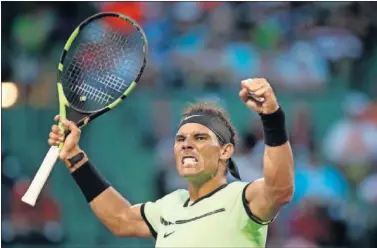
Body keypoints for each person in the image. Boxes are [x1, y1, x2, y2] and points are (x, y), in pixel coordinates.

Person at [47, 78, 294, 247]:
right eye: (180, 139)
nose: (186, 144)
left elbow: (280, 189)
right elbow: (120, 218)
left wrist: (272, 117)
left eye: (200, 138)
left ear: (225, 151)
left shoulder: (242, 198)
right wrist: (74, 157)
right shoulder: (169, 206)